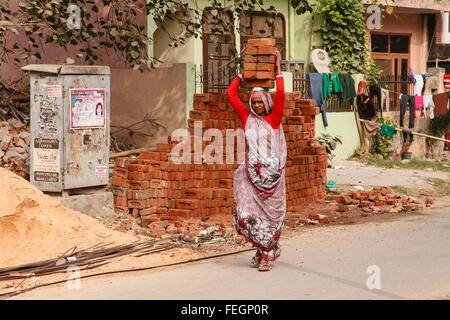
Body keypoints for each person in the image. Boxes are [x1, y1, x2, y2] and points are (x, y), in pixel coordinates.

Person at [226, 50, 286, 272]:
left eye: (261, 102)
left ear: (267, 102)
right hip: (251, 176)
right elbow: (231, 94)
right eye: (254, 102)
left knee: (269, 216)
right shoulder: (246, 118)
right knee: (249, 213)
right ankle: (261, 250)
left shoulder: (274, 118)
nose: (258, 106)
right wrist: (243, 75)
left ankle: (268, 254)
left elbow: (281, 95)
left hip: (272, 178)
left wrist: (278, 71)